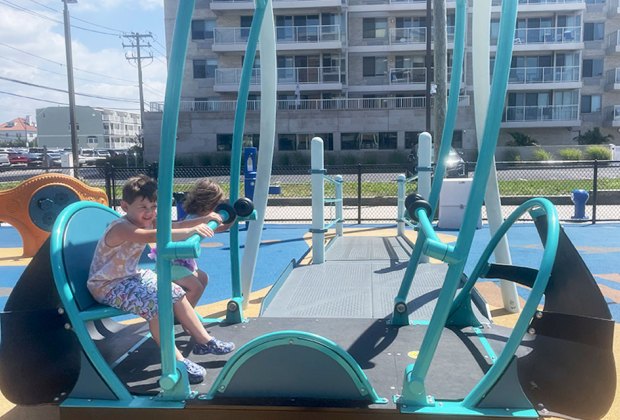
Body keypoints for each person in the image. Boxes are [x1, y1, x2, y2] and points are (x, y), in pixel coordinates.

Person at [87, 174, 235, 385]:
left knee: (175, 291)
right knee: (157, 305)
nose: (149, 213)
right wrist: (191, 230)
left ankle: (204, 341)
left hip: (129, 276)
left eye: (153, 207)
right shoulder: (121, 227)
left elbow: (171, 226)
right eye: (143, 207)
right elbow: (152, 236)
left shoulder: (146, 220)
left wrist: (203, 220)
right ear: (124, 206)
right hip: (107, 285)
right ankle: (176, 362)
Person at [150, 179, 228, 307]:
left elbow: (219, 227)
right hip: (171, 264)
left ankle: (187, 312)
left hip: (183, 263)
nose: (216, 209)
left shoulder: (201, 218)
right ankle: (180, 316)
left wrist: (231, 218)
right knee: (195, 287)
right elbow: (179, 226)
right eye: (216, 205)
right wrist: (207, 219)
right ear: (207, 204)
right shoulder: (194, 219)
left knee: (203, 278)